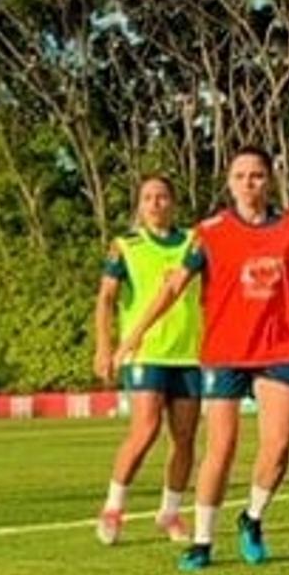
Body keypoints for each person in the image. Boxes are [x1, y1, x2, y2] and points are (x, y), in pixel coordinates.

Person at [117, 148, 289, 571]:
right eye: (241, 175)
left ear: (270, 180)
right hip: (225, 351)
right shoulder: (210, 232)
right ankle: (203, 540)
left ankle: (253, 517)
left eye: (258, 175)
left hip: (277, 345)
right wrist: (134, 334)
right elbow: (173, 288)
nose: (249, 183)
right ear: (229, 182)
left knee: (279, 445)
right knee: (220, 447)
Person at [91, 176, 200, 546]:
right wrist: (105, 346)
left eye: (162, 196)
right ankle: (113, 507)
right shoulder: (126, 246)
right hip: (145, 353)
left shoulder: (193, 242)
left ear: (173, 202)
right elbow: (106, 298)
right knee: (145, 429)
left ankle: (170, 511)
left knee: (184, 437)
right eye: (148, 198)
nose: (155, 203)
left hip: (188, 353)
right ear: (139, 205)